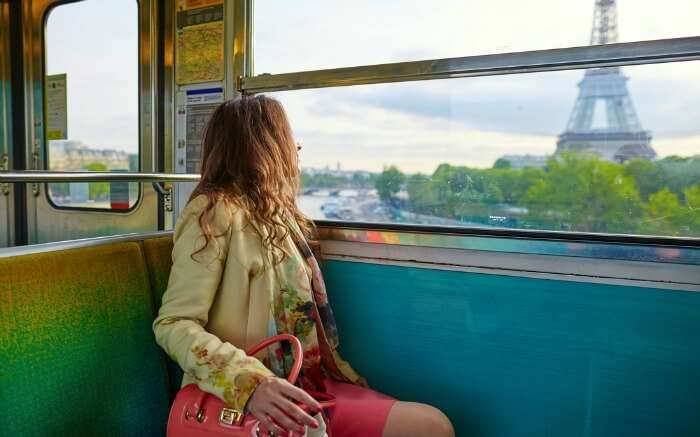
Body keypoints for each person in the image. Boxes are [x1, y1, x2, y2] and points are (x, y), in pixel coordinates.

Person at [153, 95, 454, 437]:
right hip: (242, 393)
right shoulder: (212, 214)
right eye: (288, 139)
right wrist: (250, 384)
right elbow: (174, 323)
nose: (296, 149)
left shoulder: (279, 216)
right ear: (267, 147)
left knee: (431, 426)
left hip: (304, 382)